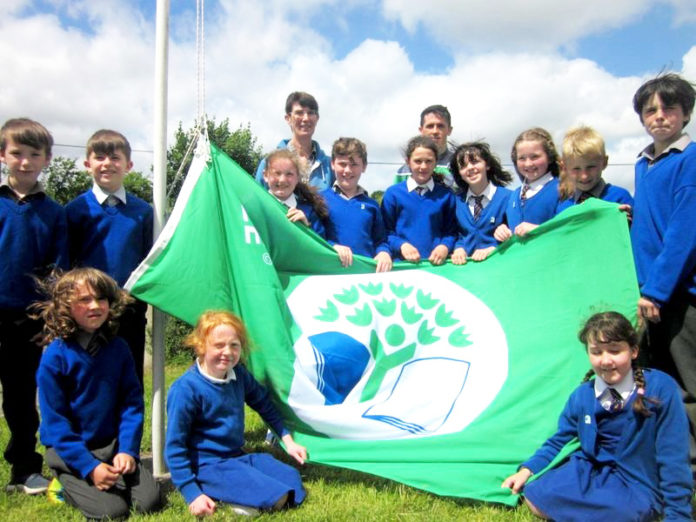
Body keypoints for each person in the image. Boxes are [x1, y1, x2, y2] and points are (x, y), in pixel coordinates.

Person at [502, 311, 692, 521]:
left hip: (636, 481)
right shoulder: (582, 395)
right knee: (536, 494)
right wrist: (527, 470)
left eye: (614, 351)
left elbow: (673, 454)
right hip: (590, 471)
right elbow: (559, 439)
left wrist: (678, 514)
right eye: (597, 352)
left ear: (634, 351)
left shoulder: (660, 388)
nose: (606, 360)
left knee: (624, 512)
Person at [34, 268, 161, 519]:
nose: (95, 305)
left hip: (111, 445)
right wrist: (89, 467)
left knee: (149, 501)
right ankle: (64, 483)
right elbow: (56, 423)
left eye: (101, 298)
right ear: (65, 306)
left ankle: (110, 475)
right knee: (112, 511)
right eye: (84, 300)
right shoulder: (55, 357)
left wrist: (127, 450)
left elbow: (131, 404)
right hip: (70, 451)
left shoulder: (119, 349)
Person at [165, 310, 307, 517]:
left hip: (235, 457)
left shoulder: (238, 374)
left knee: (291, 477)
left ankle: (246, 496)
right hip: (206, 465)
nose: (227, 352)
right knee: (278, 496)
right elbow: (174, 447)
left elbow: (263, 403)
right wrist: (191, 493)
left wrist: (288, 439)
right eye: (219, 345)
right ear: (202, 346)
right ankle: (222, 500)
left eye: (234, 345)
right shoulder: (186, 389)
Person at [630, 73, 696, 476]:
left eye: (668, 108)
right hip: (649, 293)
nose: (659, 116)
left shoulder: (689, 160)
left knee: (687, 385)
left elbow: (684, 233)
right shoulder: (643, 163)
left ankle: (690, 466)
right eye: (650, 110)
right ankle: (668, 459)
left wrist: (656, 290)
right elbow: (655, 222)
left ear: (686, 113)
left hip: (679, 294)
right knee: (657, 382)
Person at [0, 117, 67, 495]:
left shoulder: (54, 213)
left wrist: (50, 319)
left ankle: (24, 469)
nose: (25, 161)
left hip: (29, 319)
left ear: (47, 160)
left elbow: (57, 270)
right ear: (3, 156)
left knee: (22, 396)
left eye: (34, 155)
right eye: (17, 153)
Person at [66, 130, 153, 385]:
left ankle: (129, 426)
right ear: (87, 164)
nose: (107, 163)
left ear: (128, 165)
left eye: (115, 158)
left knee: (129, 378)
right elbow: (68, 262)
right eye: (99, 157)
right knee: (90, 380)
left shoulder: (144, 212)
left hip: (129, 311)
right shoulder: (75, 210)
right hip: (87, 311)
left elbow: (149, 259)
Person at [381, 136, 457, 265]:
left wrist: (444, 246)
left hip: (437, 268)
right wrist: (401, 245)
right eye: (418, 161)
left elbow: (452, 231)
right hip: (401, 266)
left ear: (436, 162)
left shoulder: (446, 195)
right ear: (408, 161)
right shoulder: (393, 194)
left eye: (429, 161)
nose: (423, 166)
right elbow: (384, 232)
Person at [321, 137, 392, 272]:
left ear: (364, 166)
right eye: (342, 164)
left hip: (364, 277)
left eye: (354, 165)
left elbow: (381, 240)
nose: (347, 170)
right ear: (332, 164)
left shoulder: (372, 205)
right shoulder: (320, 199)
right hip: (330, 274)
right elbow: (314, 238)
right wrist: (332, 246)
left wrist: (384, 252)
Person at [254, 91, 334, 191]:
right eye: (299, 113)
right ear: (288, 118)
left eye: (311, 113)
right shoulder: (268, 163)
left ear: (317, 118)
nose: (305, 118)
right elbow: (257, 201)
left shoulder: (330, 167)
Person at [449, 142, 513, 264]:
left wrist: (494, 247)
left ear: (487, 165)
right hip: (467, 271)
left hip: (500, 266)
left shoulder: (509, 198)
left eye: (475, 162)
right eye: (463, 166)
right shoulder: (456, 202)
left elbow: (517, 235)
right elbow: (456, 235)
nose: (470, 168)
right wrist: (459, 249)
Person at [494, 128, 561, 242]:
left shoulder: (562, 190)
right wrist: (501, 231)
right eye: (522, 158)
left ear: (549, 157)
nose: (528, 163)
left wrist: (540, 230)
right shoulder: (514, 196)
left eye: (535, 157)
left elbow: (570, 230)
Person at [556, 126, 633, 215]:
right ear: (564, 168)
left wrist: (628, 221)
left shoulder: (620, 199)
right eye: (576, 169)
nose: (584, 176)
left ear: (604, 162)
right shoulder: (563, 210)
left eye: (590, 167)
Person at [263, 148, 328, 238]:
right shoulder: (255, 206)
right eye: (277, 173)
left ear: (298, 177)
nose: (282, 180)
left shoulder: (309, 212)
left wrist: (307, 228)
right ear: (265, 175)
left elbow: (322, 247)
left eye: (289, 174)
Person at [394, 105, 456, 189]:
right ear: (421, 130)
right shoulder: (404, 171)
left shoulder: (459, 165)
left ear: (449, 130)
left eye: (440, 126)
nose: (435, 131)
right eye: (430, 126)